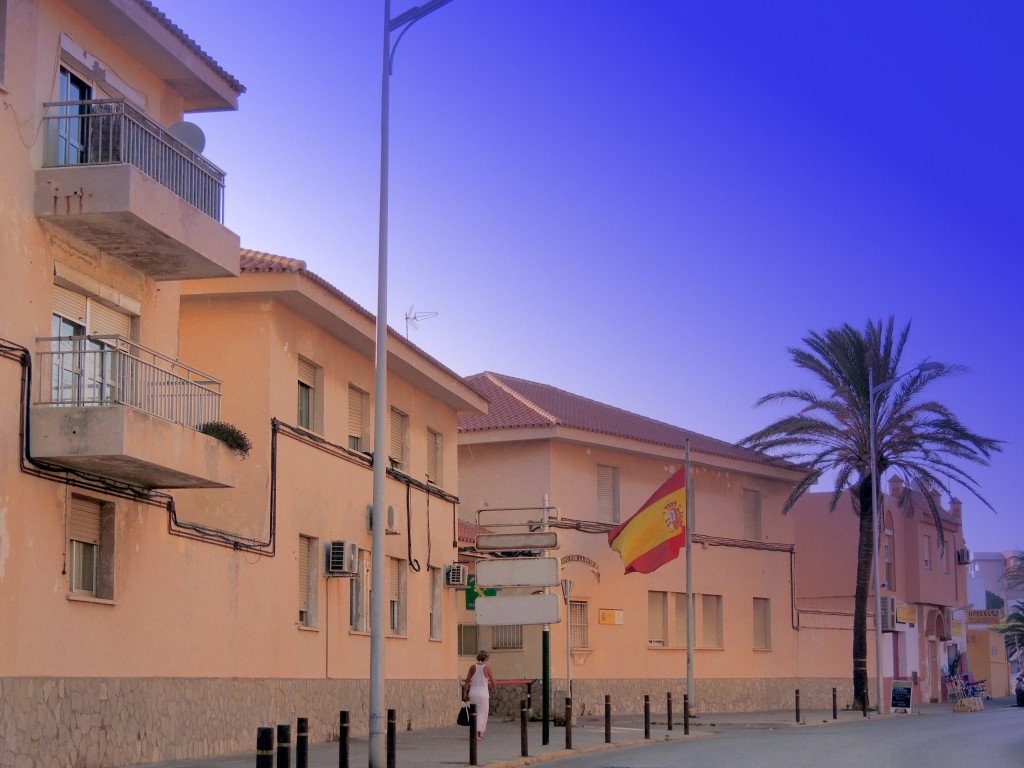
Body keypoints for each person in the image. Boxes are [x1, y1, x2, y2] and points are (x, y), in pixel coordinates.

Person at [462, 649, 497, 739]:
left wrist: (465, 693)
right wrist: (494, 690)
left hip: (473, 693)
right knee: (483, 713)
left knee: (475, 712)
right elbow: (493, 681)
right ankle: (479, 732)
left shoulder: (472, 667)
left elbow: (467, 681)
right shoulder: (487, 668)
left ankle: (476, 731)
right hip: (483, 694)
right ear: (486, 658)